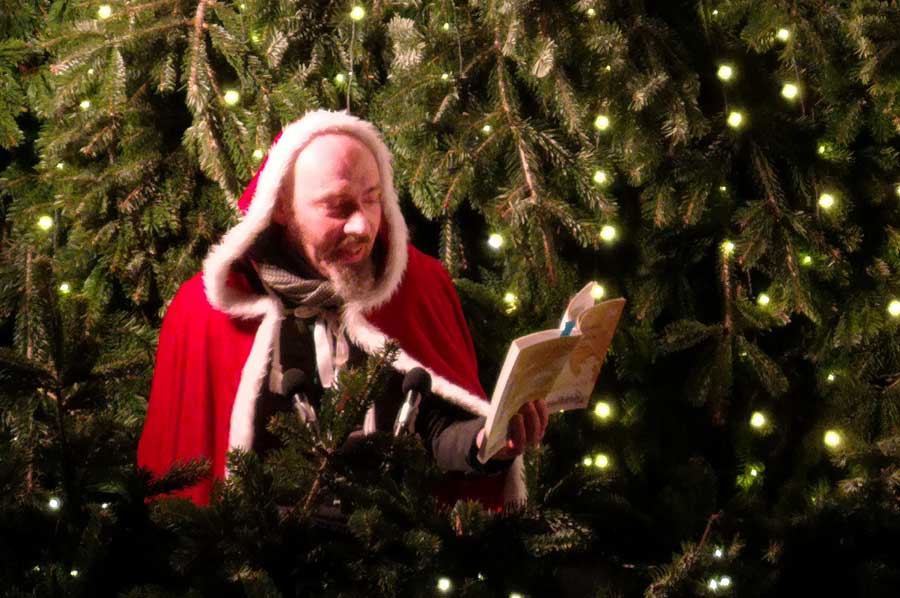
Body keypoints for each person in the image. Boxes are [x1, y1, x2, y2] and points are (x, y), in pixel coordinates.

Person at [137, 110, 548, 510]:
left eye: (372, 200)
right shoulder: (208, 313)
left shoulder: (415, 289)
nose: (362, 226)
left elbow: (434, 433)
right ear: (280, 206)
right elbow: (188, 477)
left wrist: (487, 443)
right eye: (337, 207)